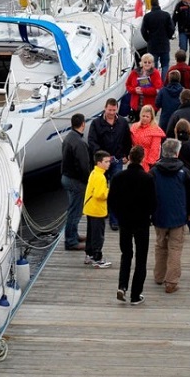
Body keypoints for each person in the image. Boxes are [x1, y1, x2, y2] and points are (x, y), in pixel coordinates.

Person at [108, 145, 157, 305]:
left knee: (126, 254)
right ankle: (136, 295)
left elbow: (112, 201)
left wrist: (120, 215)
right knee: (141, 259)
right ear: (143, 159)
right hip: (142, 222)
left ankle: (122, 286)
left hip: (125, 222)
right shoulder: (148, 178)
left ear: (128, 158)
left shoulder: (118, 177)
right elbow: (153, 203)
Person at [151, 139, 190, 293]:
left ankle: (159, 276)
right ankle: (171, 282)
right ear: (177, 153)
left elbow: (148, 194)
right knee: (175, 248)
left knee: (160, 245)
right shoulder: (183, 172)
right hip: (178, 216)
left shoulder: (154, 172)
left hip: (159, 215)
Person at [87, 98, 132, 230]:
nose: (112, 112)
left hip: (117, 160)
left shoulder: (123, 122)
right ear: (105, 108)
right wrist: (100, 156)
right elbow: (92, 141)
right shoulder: (96, 123)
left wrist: (126, 154)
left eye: (114, 110)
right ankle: (103, 211)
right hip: (102, 162)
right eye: (109, 110)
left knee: (116, 189)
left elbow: (127, 140)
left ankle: (115, 219)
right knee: (101, 188)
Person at [60, 113, 91, 251]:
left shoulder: (69, 138)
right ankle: (71, 241)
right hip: (75, 181)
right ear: (83, 124)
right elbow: (84, 166)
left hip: (66, 177)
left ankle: (74, 234)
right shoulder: (80, 142)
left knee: (73, 209)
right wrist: (88, 181)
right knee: (75, 211)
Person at [83, 151, 113, 268]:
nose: (108, 164)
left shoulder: (94, 172)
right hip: (97, 210)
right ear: (99, 162)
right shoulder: (101, 177)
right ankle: (97, 258)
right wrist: (109, 191)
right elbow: (99, 194)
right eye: (106, 162)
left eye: (109, 161)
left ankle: (89, 255)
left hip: (90, 208)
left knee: (90, 233)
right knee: (98, 235)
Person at [140, 0, 175, 71]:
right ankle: (163, 81)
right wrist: (168, 36)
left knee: (153, 65)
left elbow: (143, 30)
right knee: (165, 65)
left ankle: (155, 81)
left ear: (151, 4)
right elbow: (172, 28)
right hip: (164, 43)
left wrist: (148, 39)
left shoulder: (147, 16)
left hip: (152, 44)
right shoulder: (166, 15)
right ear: (158, 4)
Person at [125, 53, 162, 118]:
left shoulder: (155, 73)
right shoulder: (134, 72)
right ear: (142, 63)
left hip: (150, 107)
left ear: (152, 64)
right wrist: (134, 90)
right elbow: (128, 85)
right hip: (136, 106)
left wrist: (143, 90)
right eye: (145, 62)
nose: (147, 64)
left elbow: (157, 90)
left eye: (149, 62)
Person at [130, 105, 164, 171]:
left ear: (151, 117)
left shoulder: (155, 130)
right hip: (134, 159)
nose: (144, 118)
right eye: (143, 116)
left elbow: (155, 149)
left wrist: (150, 163)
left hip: (146, 161)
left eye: (147, 116)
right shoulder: (134, 127)